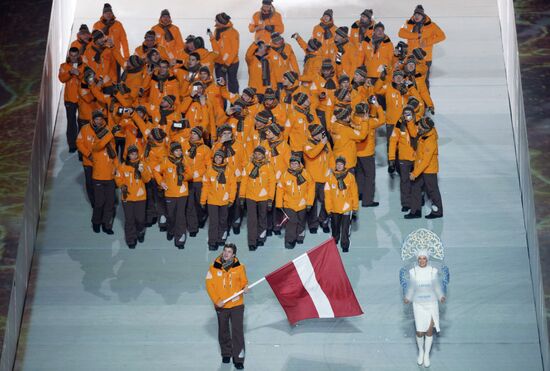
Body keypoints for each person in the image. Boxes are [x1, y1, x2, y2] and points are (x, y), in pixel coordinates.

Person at [205, 243, 249, 370]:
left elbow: (244, 282)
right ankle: (226, 353)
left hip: (237, 305)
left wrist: (245, 287)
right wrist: (216, 300)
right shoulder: (213, 268)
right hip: (222, 305)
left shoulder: (240, 267)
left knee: (237, 331)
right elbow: (209, 285)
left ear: (233, 255)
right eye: (225, 251)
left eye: (229, 252)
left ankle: (239, 358)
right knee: (223, 330)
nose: (226, 253)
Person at [403, 250, 446, 367]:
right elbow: (411, 287)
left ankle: (426, 354)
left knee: (429, 330)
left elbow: (436, 286)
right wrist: (407, 297)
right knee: (419, 331)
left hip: (431, 303)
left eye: (424, 258)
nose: (422, 261)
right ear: (417, 260)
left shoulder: (433, 271)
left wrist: (441, 296)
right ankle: (420, 351)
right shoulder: (413, 272)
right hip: (418, 304)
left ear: (427, 259)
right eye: (420, 258)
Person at [154, 142, 193, 248]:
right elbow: (156, 171)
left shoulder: (185, 160)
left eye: (180, 150)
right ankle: (171, 230)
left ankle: (180, 240)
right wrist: (161, 182)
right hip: (170, 193)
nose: (179, 152)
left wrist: (183, 175)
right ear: (172, 151)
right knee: (171, 215)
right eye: (176, 151)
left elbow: (190, 174)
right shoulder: (166, 161)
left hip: (182, 193)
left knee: (180, 216)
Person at [398, 5, 446, 87]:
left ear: (423, 15)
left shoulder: (431, 25)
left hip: (425, 58)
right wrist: (417, 35)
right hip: (411, 57)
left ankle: (425, 98)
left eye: (419, 15)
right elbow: (401, 33)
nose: (416, 16)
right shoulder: (408, 23)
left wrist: (427, 41)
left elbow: (442, 36)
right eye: (415, 14)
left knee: (423, 80)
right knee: (410, 80)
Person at [406, 117, 443, 219]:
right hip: (420, 168)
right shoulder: (424, 134)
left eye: (420, 126)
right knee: (415, 188)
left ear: (426, 129)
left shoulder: (430, 141)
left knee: (432, 190)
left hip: (429, 170)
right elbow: (413, 132)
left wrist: (414, 173)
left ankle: (438, 211)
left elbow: (426, 161)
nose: (418, 127)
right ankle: (416, 211)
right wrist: (409, 121)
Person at [115, 145, 151, 249]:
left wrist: (142, 171)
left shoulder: (142, 164)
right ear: (128, 155)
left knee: (140, 219)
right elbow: (118, 178)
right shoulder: (122, 166)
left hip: (140, 197)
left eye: (135, 153)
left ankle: (140, 232)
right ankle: (131, 239)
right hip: (127, 198)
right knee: (129, 219)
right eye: (131, 154)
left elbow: (147, 179)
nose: (134, 156)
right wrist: (121, 186)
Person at [240, 146, 276, 250]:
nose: (257, 156)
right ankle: (252, 241)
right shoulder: (249, 166)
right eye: (255, 154)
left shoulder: (268, 166)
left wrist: (270, 198)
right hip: (250, 196)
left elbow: (272, 183)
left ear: (263, 155)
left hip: (264, 197)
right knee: (251, 220)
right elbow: (244, 181)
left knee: (263, 218)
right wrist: (242, 196)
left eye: (259, 154)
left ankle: (261, 237)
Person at [276, 155, 315, 249]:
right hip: (289, 203)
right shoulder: (285, 175)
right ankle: (290, 240)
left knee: (301, 221)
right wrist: (279, 203)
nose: (293, 165)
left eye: (296, 163)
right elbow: (280, 189)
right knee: (292, 222)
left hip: (302, 202)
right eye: (292, 163)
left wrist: (309, 202)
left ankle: (300, 236)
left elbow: (311, 188)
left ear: (299, 164)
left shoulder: (305, 173)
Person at [201, 150, 237, 250]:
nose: (217, 159)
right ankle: (212, 241)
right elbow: (205, 186)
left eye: (219, 157)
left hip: (224, 200)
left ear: (223, 159)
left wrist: (231, 199)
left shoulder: (229, 170)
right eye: (216, 157)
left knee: (223, 220)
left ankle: (221, 237)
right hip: (212, 200)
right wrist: (203, 200)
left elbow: (233, 186)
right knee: (213, 221)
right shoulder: (209, 169)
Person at [324, 156, 358, 252]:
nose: (339, 166)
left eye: (341, 164)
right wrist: (328, 208)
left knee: (345, 228)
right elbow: (327, 195)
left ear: (344, 165)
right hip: (334, 207)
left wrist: (355, 207)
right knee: (335, 226)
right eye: (337, 164)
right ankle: (335, 240)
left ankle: (345, 244)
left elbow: (354, 193)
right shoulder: (330, 178)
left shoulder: (350, 177)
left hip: (347, 207)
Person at [58, 47, 86, 152]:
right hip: (69, 99)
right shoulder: (64, 66)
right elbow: (61, 79)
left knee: (82, 122)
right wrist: (70, 73)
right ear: (69, 55)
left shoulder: (84, 66)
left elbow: (87, 80)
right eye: (71, 55)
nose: (73, 58)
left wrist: (79, 74)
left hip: (83, 99)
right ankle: (72, 145)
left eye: (75, 55)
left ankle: (82, 144)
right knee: (71, 123)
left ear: (79, 55)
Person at [213, 13, 240, 94]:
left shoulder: (233, 32)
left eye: (216, 20)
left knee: (232, 83)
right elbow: (216, 47)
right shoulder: (216, 30)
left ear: (221, 22)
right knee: (220, 85)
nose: (215, 22)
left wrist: (227, 64)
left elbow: (234, 50)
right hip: (219, 63)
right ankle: (221, 105)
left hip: (232, 63)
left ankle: (235, 104)